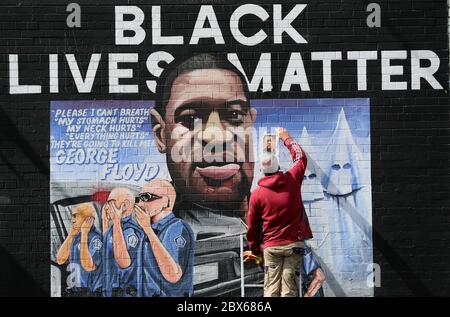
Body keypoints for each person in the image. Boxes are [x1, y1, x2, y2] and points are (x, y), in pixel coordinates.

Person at [245, 127, 313, 297]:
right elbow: (300, 157)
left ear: (262, 170)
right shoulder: (292, 179)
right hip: (293, 245)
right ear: (278, 166)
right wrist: (286, 138)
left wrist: (254, 249)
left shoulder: (257, 194)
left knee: (270, 290)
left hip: (271, 247)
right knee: (289, 290)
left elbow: (251, 227)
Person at [134, 179, 195, 297]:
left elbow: (173, 275)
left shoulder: (176, 228)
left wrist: (148, 229)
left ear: (165, 202)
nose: (140, 204)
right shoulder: (149, 229)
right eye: (140, 198)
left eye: (147, 197)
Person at [102, 187, 144, 297]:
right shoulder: (116, 228)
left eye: (111, 202)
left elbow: (123, 262)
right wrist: (105, 222)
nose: (107, 207)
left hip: (125, 291)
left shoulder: (131, 231)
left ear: (124, 205)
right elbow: (108, 248)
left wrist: (115, 220)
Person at [55, 203, 102, 297]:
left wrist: (84, 234)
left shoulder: (96, 238)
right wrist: (71, 234)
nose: (72, 220)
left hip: (89, 292)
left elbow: (89, 267)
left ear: (88, 219)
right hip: (75, 290)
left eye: (75, 216)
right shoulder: (76, 237)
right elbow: (60, 260)